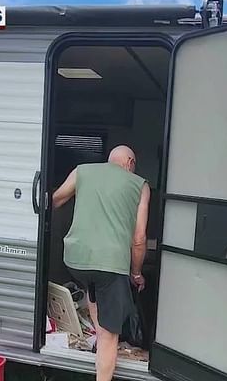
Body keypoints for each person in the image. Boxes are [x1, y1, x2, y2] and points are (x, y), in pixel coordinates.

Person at [52, 145, 151, 381]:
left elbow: (54, 200)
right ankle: (104, 362)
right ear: (129, 163)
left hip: (76, 260)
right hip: (110, 264)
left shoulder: (82, 171)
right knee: (110, 336)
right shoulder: (140, 185)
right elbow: (139, 239)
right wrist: (136, 273)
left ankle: (98, 346)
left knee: (95, 293)